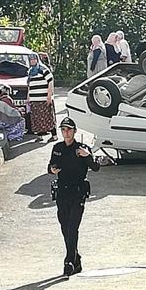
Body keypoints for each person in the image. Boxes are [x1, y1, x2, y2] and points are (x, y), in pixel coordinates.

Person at [48, 117, 99, 276]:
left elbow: (95, 167)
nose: (66, 132)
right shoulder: (57, 148)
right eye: (63, 130)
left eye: (69, 129)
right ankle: (76, 259)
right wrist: (52, 170)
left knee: (73, 227)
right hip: (62, 192)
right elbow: (51, 166)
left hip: (77, 192)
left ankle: (69, 261)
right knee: (65, 227)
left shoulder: (81, 148)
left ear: (75, 131)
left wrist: (87, 156)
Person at [27, 53, 58, 142]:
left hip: (44, 99)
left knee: (48, 118)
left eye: (34, 59)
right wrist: (28, 97)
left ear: (37, 59)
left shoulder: (43, 69)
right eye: (31, 60)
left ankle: (54, 136)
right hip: (34, 100)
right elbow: (29, 85)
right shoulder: (30, 71)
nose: (32, 61)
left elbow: (50, 81)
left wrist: (49, 96)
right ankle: (40, 136)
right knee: (37, 118)